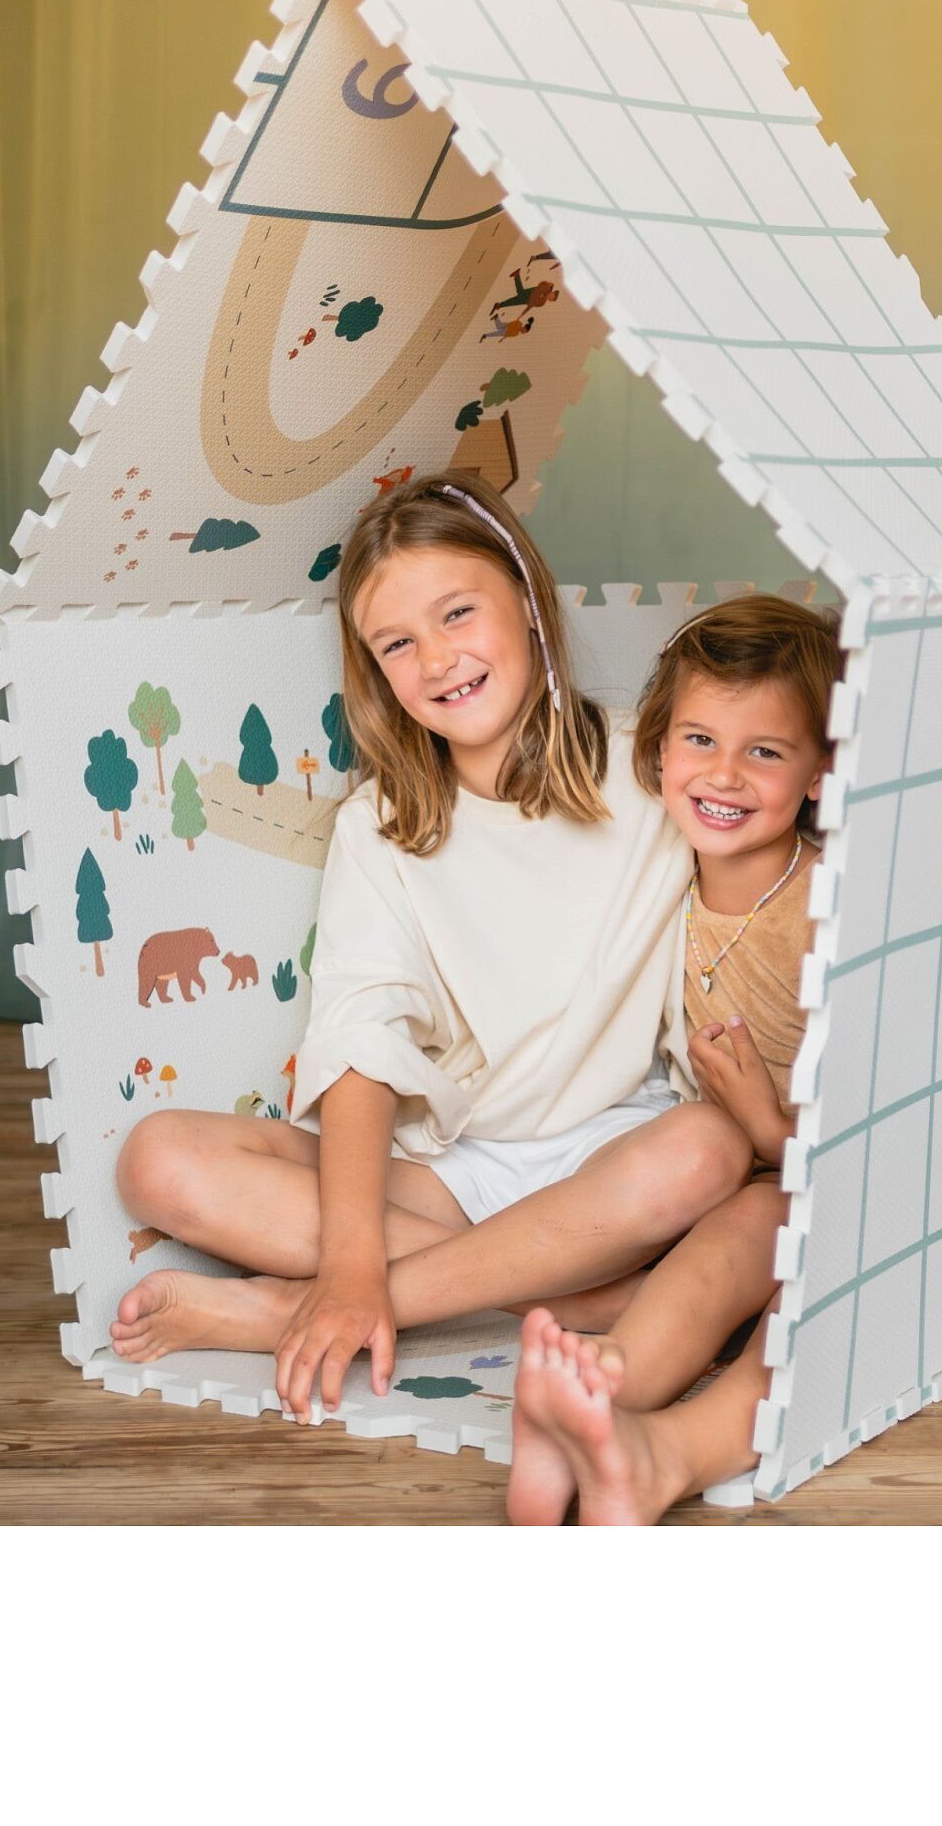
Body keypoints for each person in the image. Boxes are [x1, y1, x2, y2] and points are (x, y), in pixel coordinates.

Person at [109, 475, 751, 1420]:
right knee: (156, 1160)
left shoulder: (651, 769)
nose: (439, 659)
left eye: (458, 614)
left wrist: (349, 1283)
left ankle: (309, 1309)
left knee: (707, 1149)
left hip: (618, 1154)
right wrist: (355, 1256)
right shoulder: (385, 824)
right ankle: (577, 1301)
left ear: (530, 606)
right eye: (397, 644)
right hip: (451, 1176)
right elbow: (361, 1036)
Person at [506, 593, 843, 1524]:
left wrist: (768, 1124)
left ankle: (663, 1453)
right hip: (743, 1176)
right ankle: (593, 1401)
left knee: (782, 1264)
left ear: (820, 772)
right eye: (699, 740)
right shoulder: (664, 873)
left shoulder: (825, 911)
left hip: (842, 1181)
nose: (724, 774)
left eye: (765, 751)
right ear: (658, 754)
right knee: (701, 1262)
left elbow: (883, 1114)